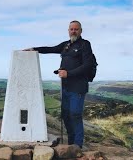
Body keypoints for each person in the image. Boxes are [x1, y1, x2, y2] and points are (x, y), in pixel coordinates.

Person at [23, 20, 94, 148]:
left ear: (81, 31)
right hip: (65, 87)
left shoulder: (85, 44)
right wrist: (34, 49)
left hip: (78, 87)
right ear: (68, 31)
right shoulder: (66, 45)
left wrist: (69, 73)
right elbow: (51, 48)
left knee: (75, 114)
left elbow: (88, 65)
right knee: (66, 115)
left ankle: (78, 145)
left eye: (76, 29)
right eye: (71, 29)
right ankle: (71, 142)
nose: (73, 31)